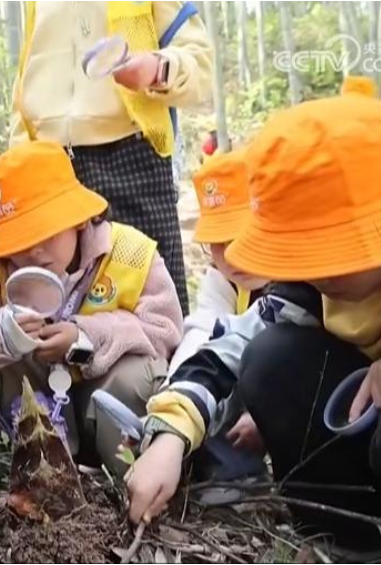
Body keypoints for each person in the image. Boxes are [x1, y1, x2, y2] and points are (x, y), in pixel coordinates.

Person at [126, 95, 381, 560]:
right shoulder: (307, 290)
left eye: (328, 250)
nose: (314, 270)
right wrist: (169, 438)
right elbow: (227, 354)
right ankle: (352, 541)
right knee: (271, 357)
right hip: (368, 437)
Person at [0, 140, 182, 476]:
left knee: (134, 374)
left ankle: (133, 472)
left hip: (111, 412)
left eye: (45, 233)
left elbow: (166, 332)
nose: (33, 252)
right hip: (45, 418)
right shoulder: (2, 271)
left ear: (79, 219)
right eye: (20, 240)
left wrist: (85, 337)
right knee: (4, 354)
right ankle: (46, 470)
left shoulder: (131, 254)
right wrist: (4, 331)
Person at [10, 1, 214, 315]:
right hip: (49, 168)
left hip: (131, 156)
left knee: (151, 304)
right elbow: (25, 83)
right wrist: (18, 160)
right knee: (57, 307)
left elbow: (199, 61)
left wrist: (157, 68)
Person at [167, 148, 269, 503]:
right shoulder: (224, 280)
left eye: (243, 235)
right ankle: (232, 472)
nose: (232, 254)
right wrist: (171, 396)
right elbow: (204, 333)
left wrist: (265, 415)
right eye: (220, 242)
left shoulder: (301, 280)